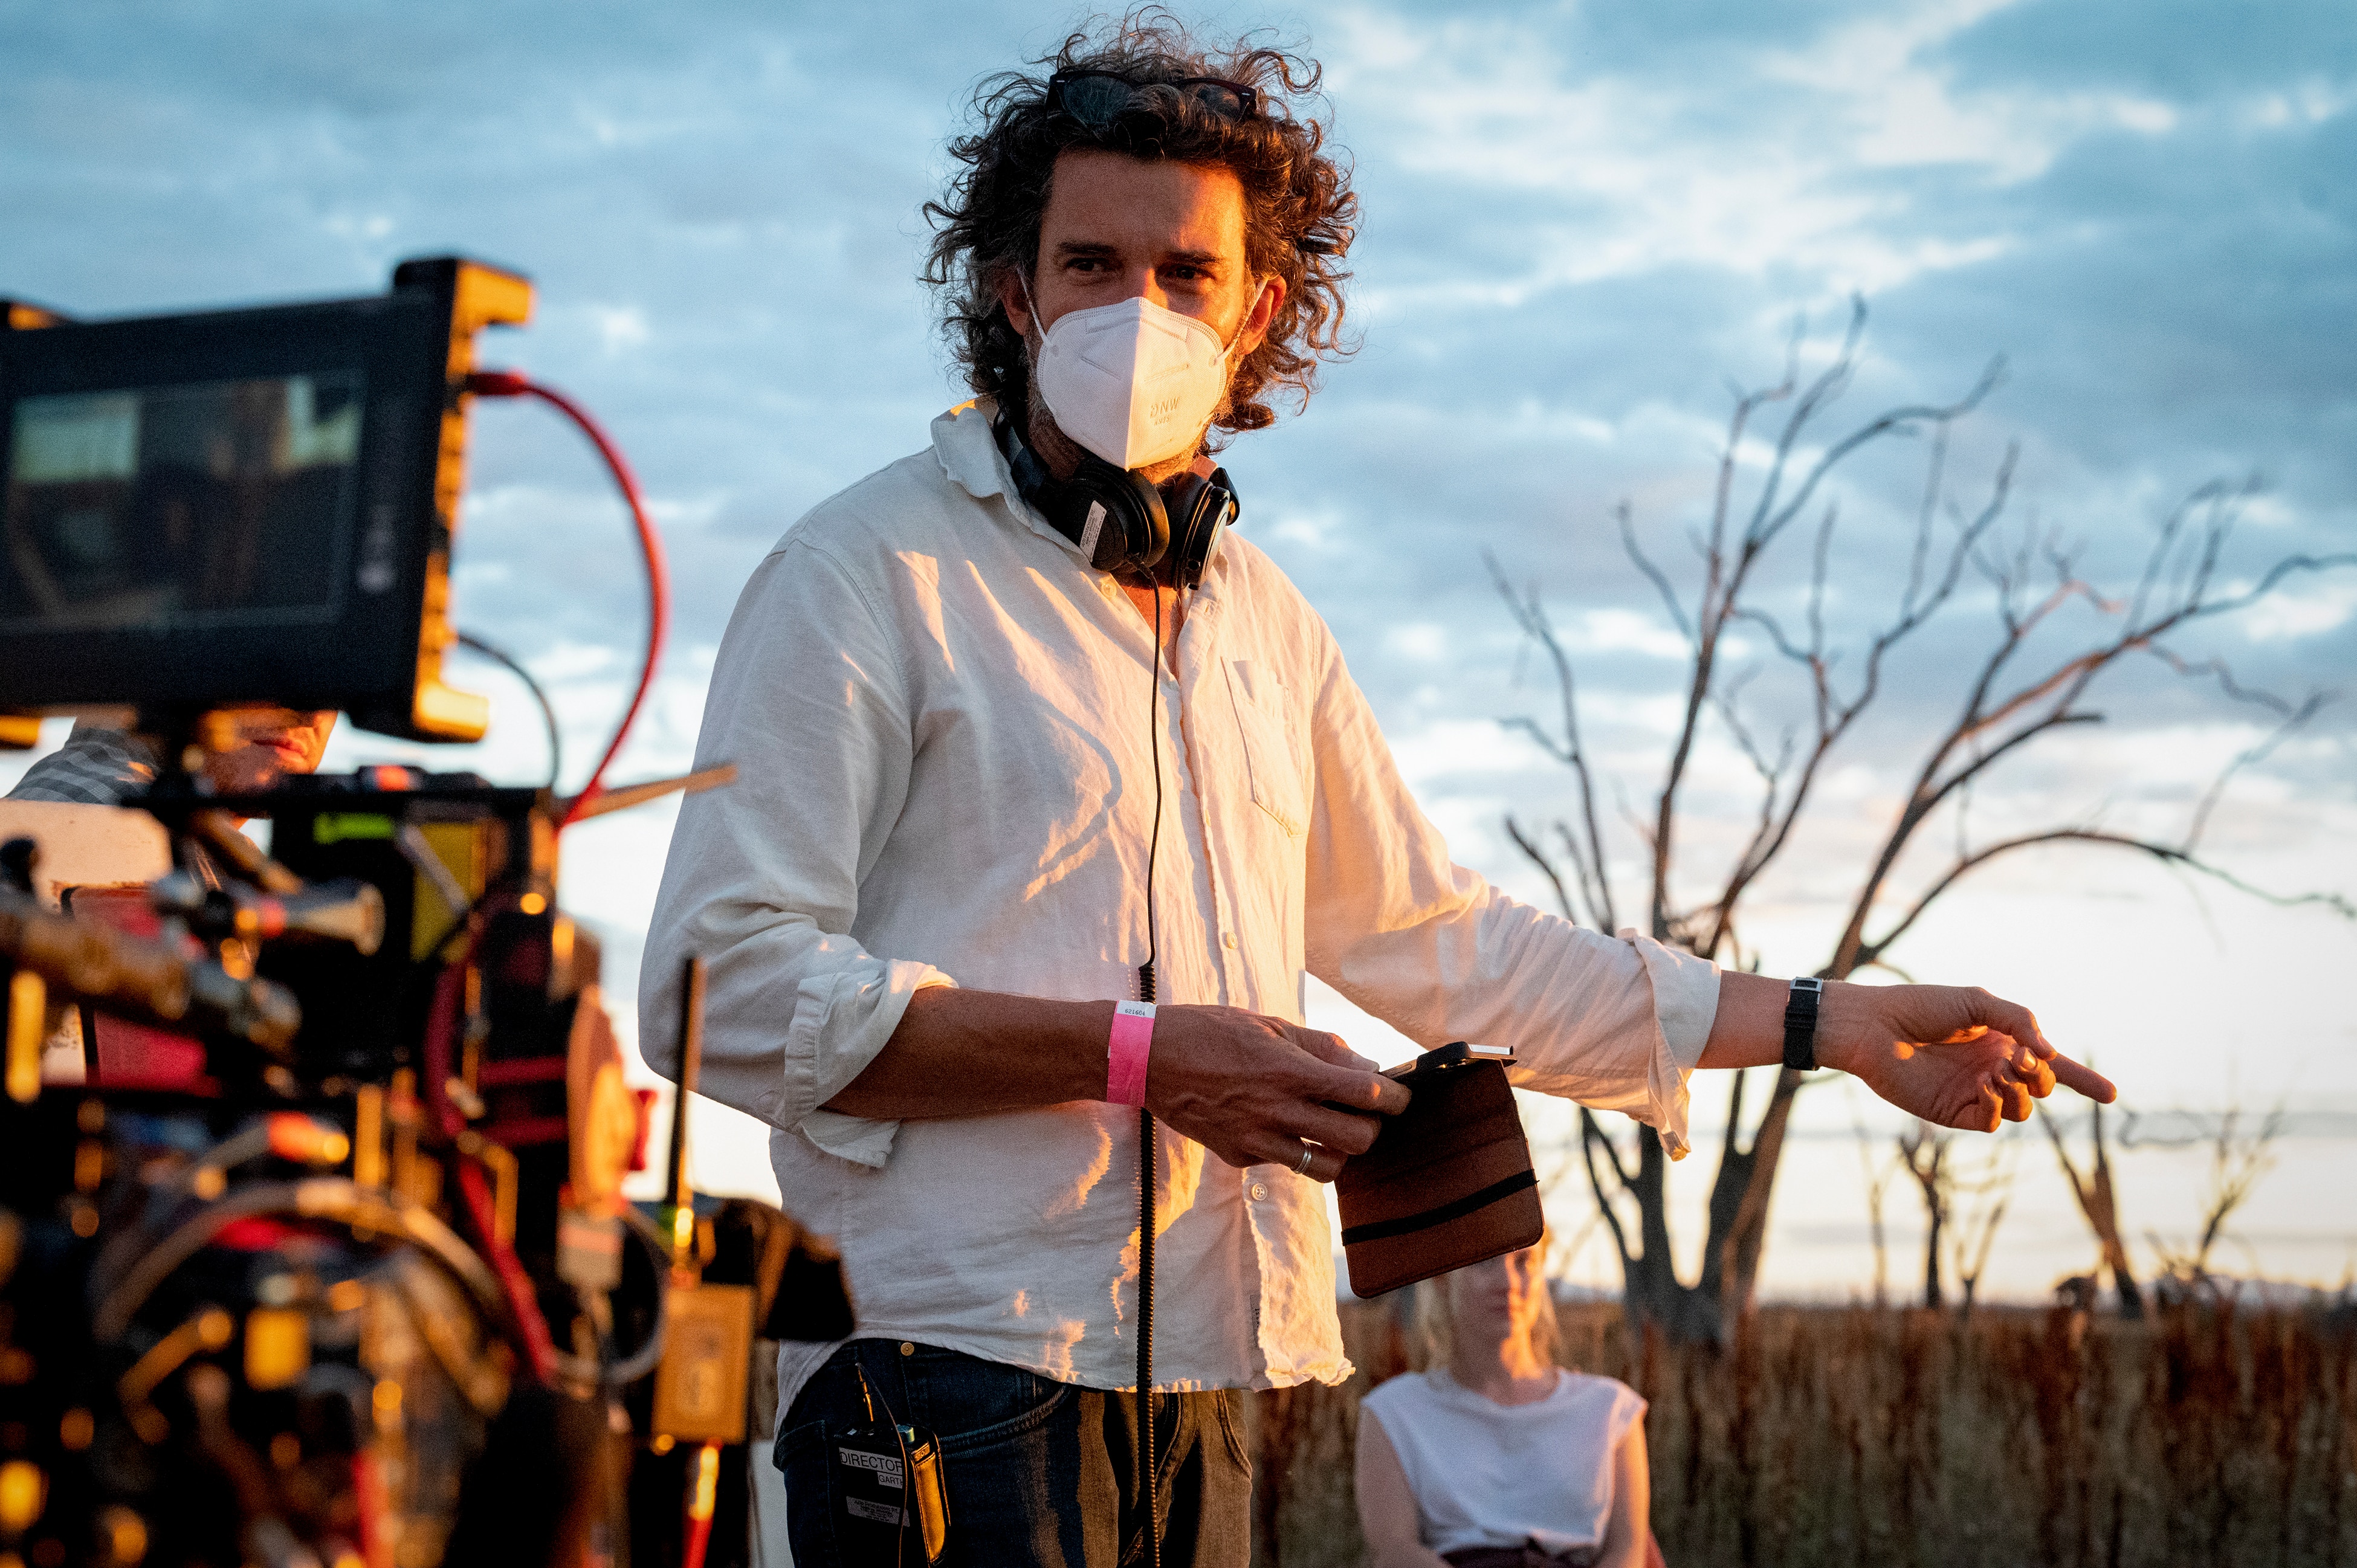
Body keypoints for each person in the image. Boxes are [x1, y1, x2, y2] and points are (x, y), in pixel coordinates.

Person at [638, 19, 2115, 1565]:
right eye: (1090, 264)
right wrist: (1141, 1056)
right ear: (1016, 293)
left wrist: (1823, 1023)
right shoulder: (863, 571)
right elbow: (714, 985)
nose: (1136, 311)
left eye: (1186, 274)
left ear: (1256, 312)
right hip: (940, 1382)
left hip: (1207, 1384)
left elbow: (1448, 944)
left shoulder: (1265, 625)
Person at [1359, 1248, 1655, 1568]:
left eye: (1524, 1262)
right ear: (1442, 1279)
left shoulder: (1609, 1409)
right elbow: (1396, 1552)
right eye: (1483, 1261)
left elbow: (1627, 1552)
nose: (1508, 1282)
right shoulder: (1394, 1413)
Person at [7, 706, 338, 806]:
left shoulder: (204, 849)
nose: (312, 716)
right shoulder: (105, 806)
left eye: (335, 683)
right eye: (284, 671)